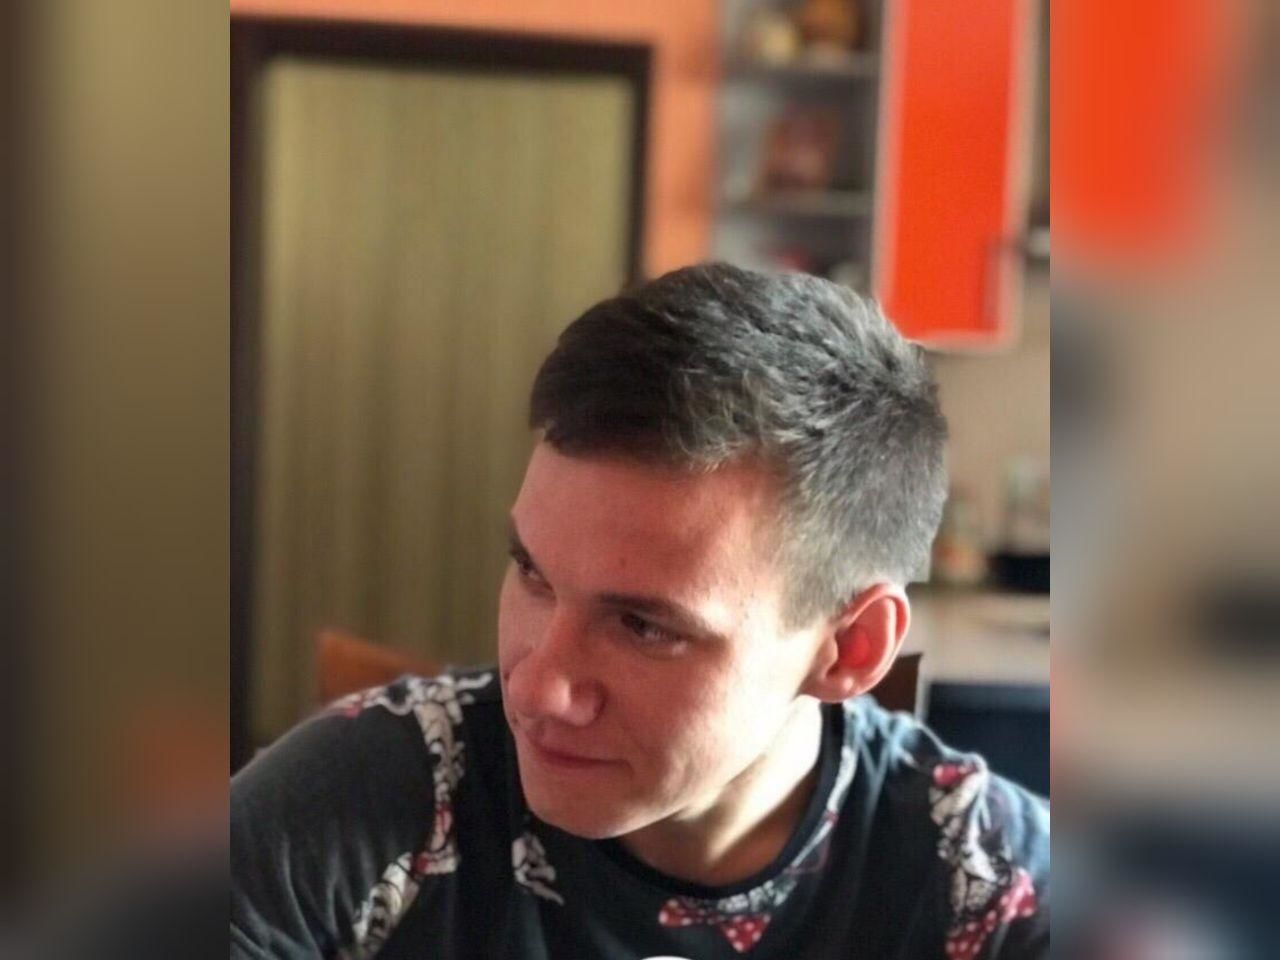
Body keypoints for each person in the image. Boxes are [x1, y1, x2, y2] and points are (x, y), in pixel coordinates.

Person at [232, 263, 1049, 959]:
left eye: (644, 626)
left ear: (850, 648)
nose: (537, 688)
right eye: (533, 574)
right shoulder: (355, 807)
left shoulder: (994, 895)